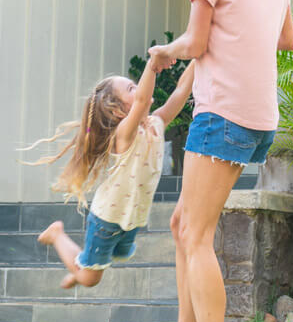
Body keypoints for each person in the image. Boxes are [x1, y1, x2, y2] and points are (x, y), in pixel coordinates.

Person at [133, 0, 293, 322]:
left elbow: (194, 44)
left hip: (221, 112)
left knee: (196, 235)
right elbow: (286, 39)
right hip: (258, 115)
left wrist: (162, 53)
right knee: (184, 224)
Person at [27, 59, 194, 289]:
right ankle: (57, 236)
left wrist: (198, 58)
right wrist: (153, 64)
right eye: (130, 89)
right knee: (90, 279)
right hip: (107, 220)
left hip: (130, 219)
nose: (138, 89)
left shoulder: (156, 123)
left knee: (119, 256)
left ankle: (79, 268)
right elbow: (143, 99)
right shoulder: (124, 135)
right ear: (117, 110)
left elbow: (181, 92)